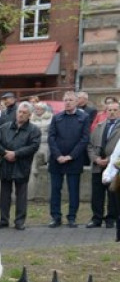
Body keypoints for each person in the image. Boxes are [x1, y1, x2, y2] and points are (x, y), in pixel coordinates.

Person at [0, 101, 41, 231]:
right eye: (19, 112)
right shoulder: (4, 127)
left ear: (30, 115)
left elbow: (33, 146)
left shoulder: (34, 130)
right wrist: (5, 153)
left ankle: (19, 221)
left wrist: (16, 154)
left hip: (22, 165)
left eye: (24, 113)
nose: (21, 114)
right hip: (6, 164)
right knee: (4, 195)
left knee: (21, 195)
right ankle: (3, 220)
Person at [47, 91, 91, 228]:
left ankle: (72, 217)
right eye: (65, 100)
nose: (67, 102)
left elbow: (84, 139)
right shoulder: (57, 117)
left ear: (77, 102)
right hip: (57, 160)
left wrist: (71, 156)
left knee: (73, 190)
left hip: (74, 160)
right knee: (55, 190)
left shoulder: (84, 117)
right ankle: (56, 217)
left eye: (70, 100)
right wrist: (58, 155)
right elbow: (51, 137)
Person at [86, 100, 120, 228]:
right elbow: (90, 145)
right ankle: (96, 218)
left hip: (114, 166)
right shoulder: (99, 126)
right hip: (97, 165)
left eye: (115, 110)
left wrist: (110, 160)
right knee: (97, 194)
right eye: (109, 110)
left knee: (113, 194)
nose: (111, 112)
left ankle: (111, 218)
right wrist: (95, 158)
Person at [30, 101, 53, 171]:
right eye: (36, 109)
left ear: (44, 109)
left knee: (44, 160)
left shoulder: (50, 118)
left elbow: (52, 132)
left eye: (39, 109)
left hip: (46, 143)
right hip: (34, 144)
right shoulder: (31, 118)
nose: (37, 110)